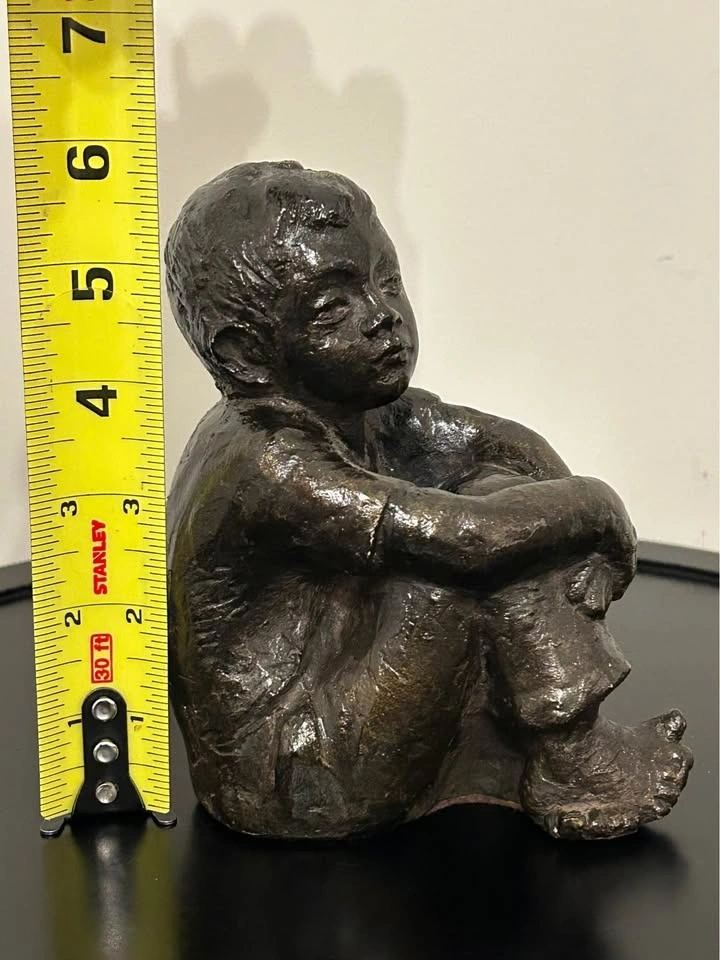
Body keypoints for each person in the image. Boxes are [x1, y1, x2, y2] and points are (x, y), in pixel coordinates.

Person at [165, 161, 692, 840]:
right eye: (333, 309)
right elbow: (473, 538)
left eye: (386, 282)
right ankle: (573, 763)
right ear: (245, 354)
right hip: (291, 773)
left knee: (504, 500)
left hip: (340, 703)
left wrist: (573, 552)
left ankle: (563, 749)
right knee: (472, 554)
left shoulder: (356, 407)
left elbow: (504, 445)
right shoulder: (268, 461)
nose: (382, 317)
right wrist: (597, 509)